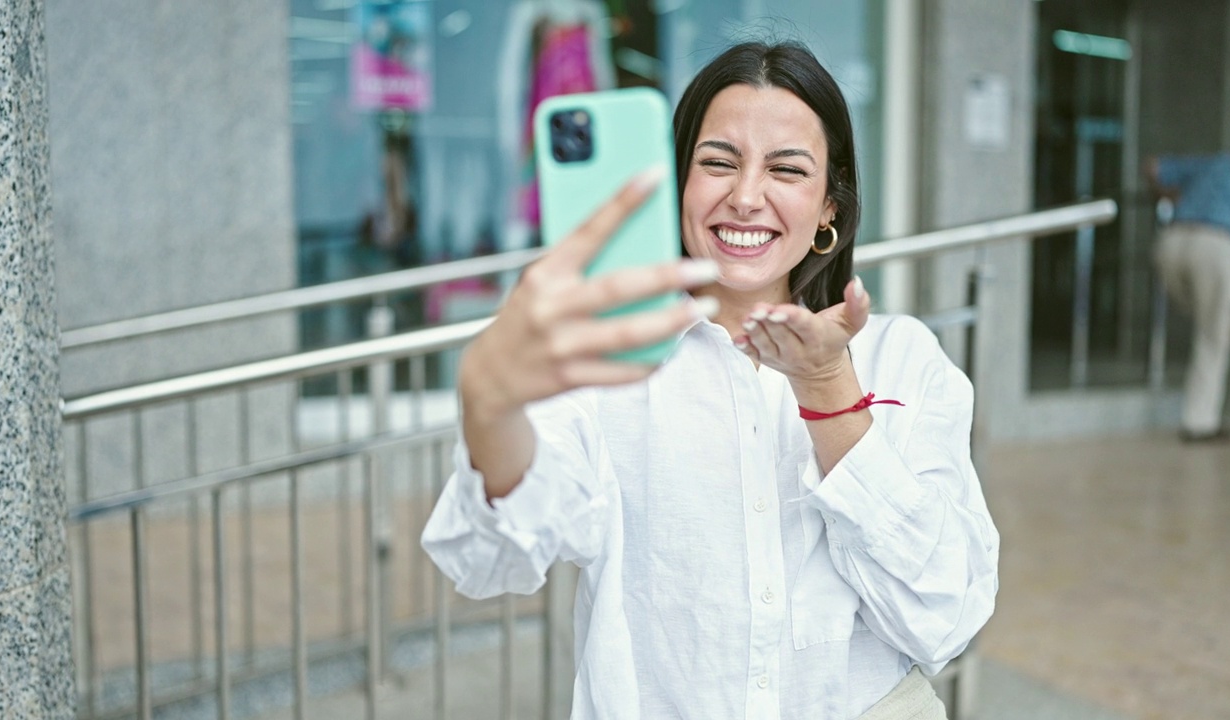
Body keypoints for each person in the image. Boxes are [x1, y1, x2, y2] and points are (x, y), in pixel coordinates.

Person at [423, 41, 999, 719]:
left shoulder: (902, 358)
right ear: (678, 184)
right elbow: (489, 558)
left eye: (786, 170)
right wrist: (491, 406)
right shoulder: (608, 365)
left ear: (829, 209)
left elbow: (944, 614)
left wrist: (828, 392)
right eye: (718, 163)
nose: (746, 197)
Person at [1146, 153, 1230, 442]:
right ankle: (1199, 423)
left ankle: (1226, 319)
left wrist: (1171, 197)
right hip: (1215, 246)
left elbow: (1152, 167)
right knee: (1214, 335)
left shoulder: (1216, 163)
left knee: (1211, 322)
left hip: (1171, 243)